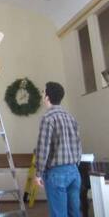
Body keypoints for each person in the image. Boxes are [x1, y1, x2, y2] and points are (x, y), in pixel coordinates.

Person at [34, 82, 82, 217]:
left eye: (43, 93)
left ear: (47, 97)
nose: (42, 95)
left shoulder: (47, 118)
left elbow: (43, 147)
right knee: (75, 214)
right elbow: (78, 145)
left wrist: (38, 173)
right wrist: (74, 165)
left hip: (56, 173)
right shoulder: (71, 117)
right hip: (74, 171)